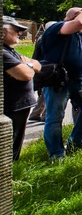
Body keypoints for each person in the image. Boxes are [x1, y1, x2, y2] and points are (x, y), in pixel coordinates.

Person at [35, 7, 82, 161]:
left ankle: (76, 141)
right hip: (58, 81)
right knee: (55, 117)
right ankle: (56, 153)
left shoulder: (81, 36)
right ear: (74, 16)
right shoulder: (56, 28)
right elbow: (79, 23)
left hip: (79, 80)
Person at [3, 16, 41, 161]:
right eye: (16, 30)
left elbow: (38, 64)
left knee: (14, 144)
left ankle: (12, 170)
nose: (19, 34)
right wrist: (29, 65)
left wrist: (30, 65)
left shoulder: (10, 50)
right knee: (8, 145)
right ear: (3, 32)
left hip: (18, 106)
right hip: (11, 107)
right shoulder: (3, 53)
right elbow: (26, 74)